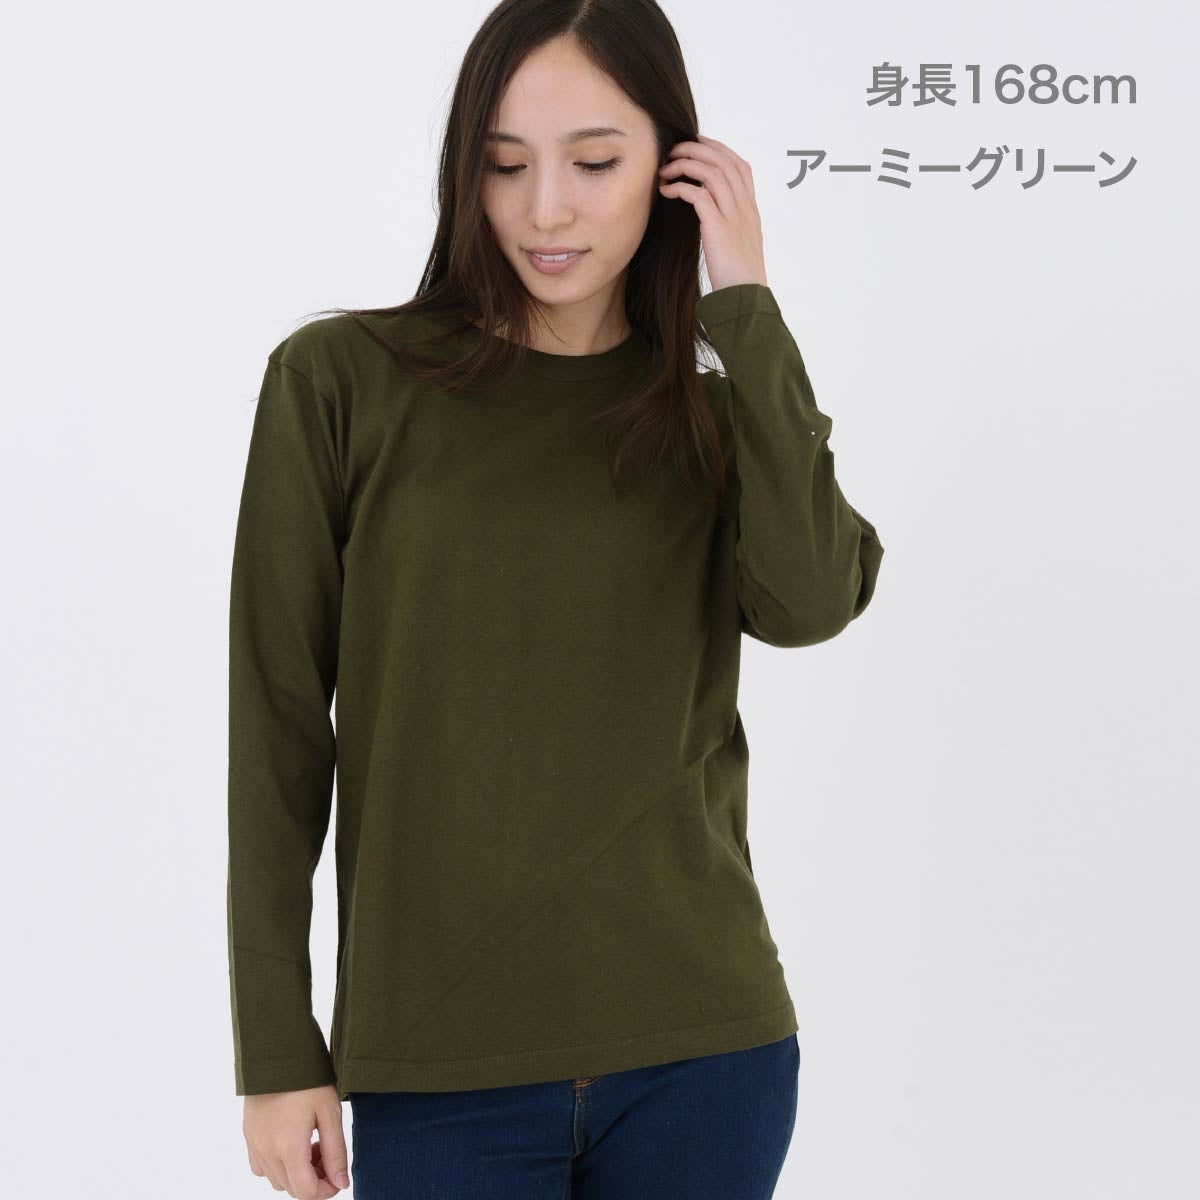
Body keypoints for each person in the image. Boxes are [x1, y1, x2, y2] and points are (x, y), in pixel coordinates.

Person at [226, 1, 885, 1197]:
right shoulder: (340, 382)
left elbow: (809, 605)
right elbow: (277, 726)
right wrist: (277, 1050)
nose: (545, 211)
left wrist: (745, 302)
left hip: (704, 1051)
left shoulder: (714, 405)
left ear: (673, 166)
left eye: (594, 163)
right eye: (504, 165)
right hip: (438, 1063)